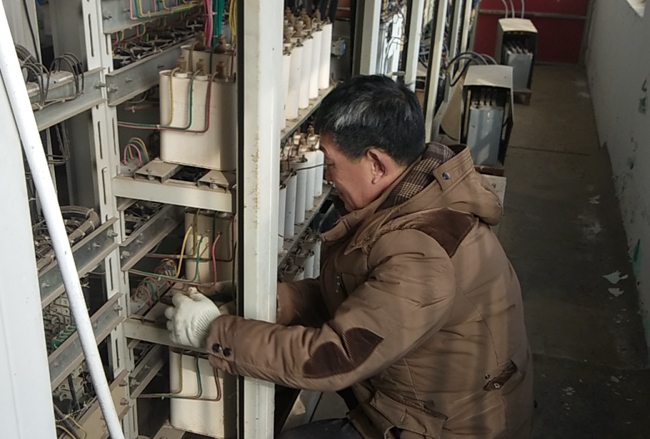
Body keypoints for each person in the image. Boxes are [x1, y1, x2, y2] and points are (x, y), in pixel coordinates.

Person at [165, 75, 534, 439]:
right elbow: (362, 294)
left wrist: (212, 331)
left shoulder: (421, 252)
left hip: (445, 429)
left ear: (376, 164)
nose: (328, 176)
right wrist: (277, 302)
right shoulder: (416, 201)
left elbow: (335, 357)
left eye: (330, 162)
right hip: (425, 405)